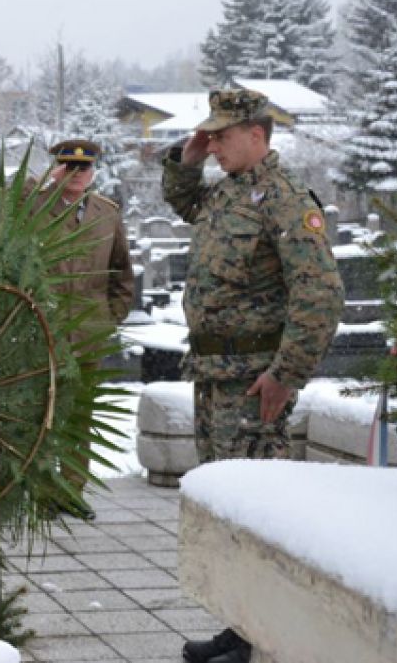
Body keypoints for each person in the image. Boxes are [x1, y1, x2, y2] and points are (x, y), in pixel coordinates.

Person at [162, 88, 343, 663]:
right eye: (209, 134)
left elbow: (320, 293)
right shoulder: (229, 194)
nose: (212, 143)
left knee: (257, 512)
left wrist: (285, 375)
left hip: (253, 383)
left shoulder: (286, 200)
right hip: (214, 374)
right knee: (225, 510)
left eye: (221, 135)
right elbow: (183, 201)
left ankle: (259, 637)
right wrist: (187, 159)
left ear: (257, 134)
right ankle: (240, 627)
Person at [28, 139, 135, 518]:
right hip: (44, 328)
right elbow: (4, 207)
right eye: (68, 168)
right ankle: (42, 492)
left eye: (84, 169)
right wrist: (44, 182)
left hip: (89, 330)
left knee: (80, 416)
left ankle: (72, 491)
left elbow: (121, 272)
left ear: (93, 172)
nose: (77, 175)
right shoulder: (35, 206)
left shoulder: (106, 212)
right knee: (43, 413)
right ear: (57, 169)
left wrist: (111, 316)